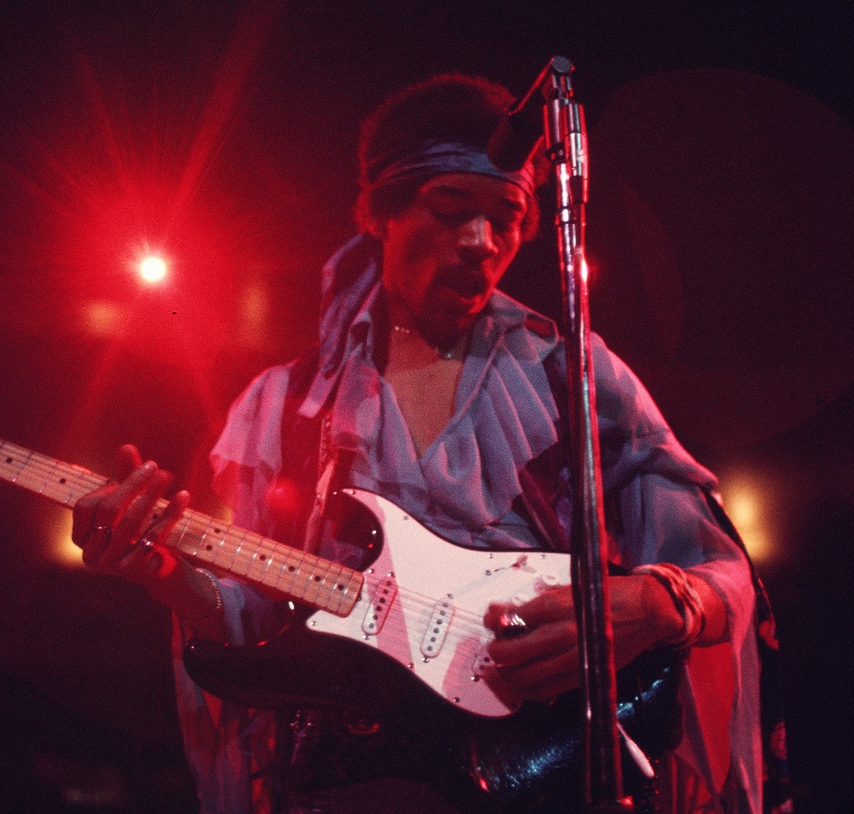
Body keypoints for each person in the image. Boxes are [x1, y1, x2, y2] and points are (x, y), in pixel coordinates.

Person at [70, 73, 763, 813]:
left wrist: (657, 602)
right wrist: (168, 570)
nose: (480, 240)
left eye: (507, 215)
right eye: (450, 207)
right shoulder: (282, 406)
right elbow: (259, 624)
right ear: (381, 213)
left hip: (550, 764)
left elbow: (720, 569)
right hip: (361, 776)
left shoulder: (576, 376)